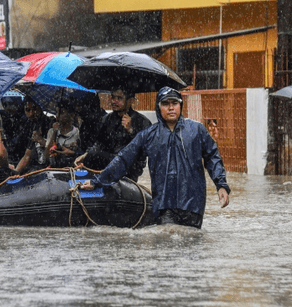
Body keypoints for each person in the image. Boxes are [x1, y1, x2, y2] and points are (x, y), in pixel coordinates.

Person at [82, 87, 229, 229]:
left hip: (193, 204)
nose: (171, 108)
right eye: (166, 104)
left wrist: (221, 185)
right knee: (166, 241)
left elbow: (213, 157)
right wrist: (98, 181)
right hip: (164, 206)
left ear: (180, 105)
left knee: (191, 244)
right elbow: (124, 159)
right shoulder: (149, 135)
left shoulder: (197, 130)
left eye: (174, 103)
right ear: (159, 107)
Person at [75, 88, 151, 181]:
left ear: (130, 100)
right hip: (107, 164)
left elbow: (144, 151)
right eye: (113, 97)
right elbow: (99, 142)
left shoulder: (142, 122)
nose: (114, 101)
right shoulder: (107, 119)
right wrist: (86, 154)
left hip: (129, 168)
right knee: (87, 158)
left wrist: (131, 131)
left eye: (119, 98)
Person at [14, 97, 54, 174]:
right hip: (35, 168)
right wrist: (15, 173)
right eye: (28, 110)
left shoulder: (51, 124)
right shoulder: (29, 125)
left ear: (40, 107)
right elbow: (27, 155)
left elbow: (55, 149)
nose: (31, 113)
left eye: (34, 109)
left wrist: (41, 140)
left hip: (51, 169)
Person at [43, 101, 81, 168]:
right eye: (57, 112)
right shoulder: (52, 131)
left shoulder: (77, 133)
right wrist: (54, 132)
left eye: (61, 112)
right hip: (54, 168)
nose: (57, 116)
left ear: (72, 115)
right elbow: (46, 156)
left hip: (70, 169)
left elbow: (79, 155)